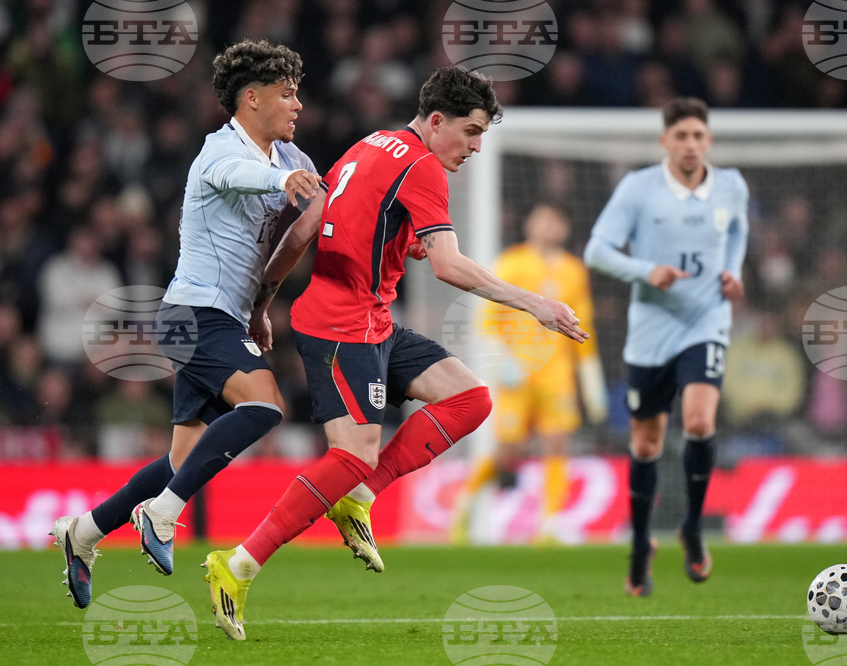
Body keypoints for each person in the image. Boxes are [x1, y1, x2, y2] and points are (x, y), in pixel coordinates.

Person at [202, 66, 588, 641]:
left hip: (371, 320)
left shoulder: (371, 144)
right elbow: (450, 266)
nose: (476, 147)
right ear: (436, 121)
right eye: (471, 131)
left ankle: (358, 498)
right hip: (342, 326)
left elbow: (309, 226)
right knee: (351, 455)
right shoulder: (423, 166)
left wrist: (265, 301)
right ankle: (237, 564)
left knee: (470, 400)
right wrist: (537, 304)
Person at [51, 39, 322, 609]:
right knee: (265, 406)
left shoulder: (293, 159)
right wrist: (281, 184)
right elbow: (237, 174)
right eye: (287, 94)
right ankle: (164, 512)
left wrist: (260, 306)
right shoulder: (217, 151)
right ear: (252, 98)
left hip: (222, 317)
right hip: (192, 313)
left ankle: (85, 532)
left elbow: (308, 225)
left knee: (183, 459)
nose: (298, 104)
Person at [583, 97, 748, 596]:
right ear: (665, 142)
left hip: (706, 320)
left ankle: (692, 527)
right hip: (652, 328)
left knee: (699, 421)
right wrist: (646, 271)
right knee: (646, 444)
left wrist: (732, 271)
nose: (690, 144)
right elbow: (596, 251)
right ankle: (640, 543)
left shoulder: (732, 186)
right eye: (681, 136)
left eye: (698, 136)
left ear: (708, 140)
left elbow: (737, 230)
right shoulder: (639, 189)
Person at [451, 202, 607, 544]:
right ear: (530, 225)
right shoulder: (512, 263)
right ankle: (465, 502)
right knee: (508, 449)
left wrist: (590, 378)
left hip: (557, 375)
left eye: (555, 220)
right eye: (542, 220)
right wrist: (501, 361)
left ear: (564, 228)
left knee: (558, 444)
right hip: (517, 373)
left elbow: (584, 325)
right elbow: (487, 321)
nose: (548, 226)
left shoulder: (574, 271)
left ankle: (549, 525)